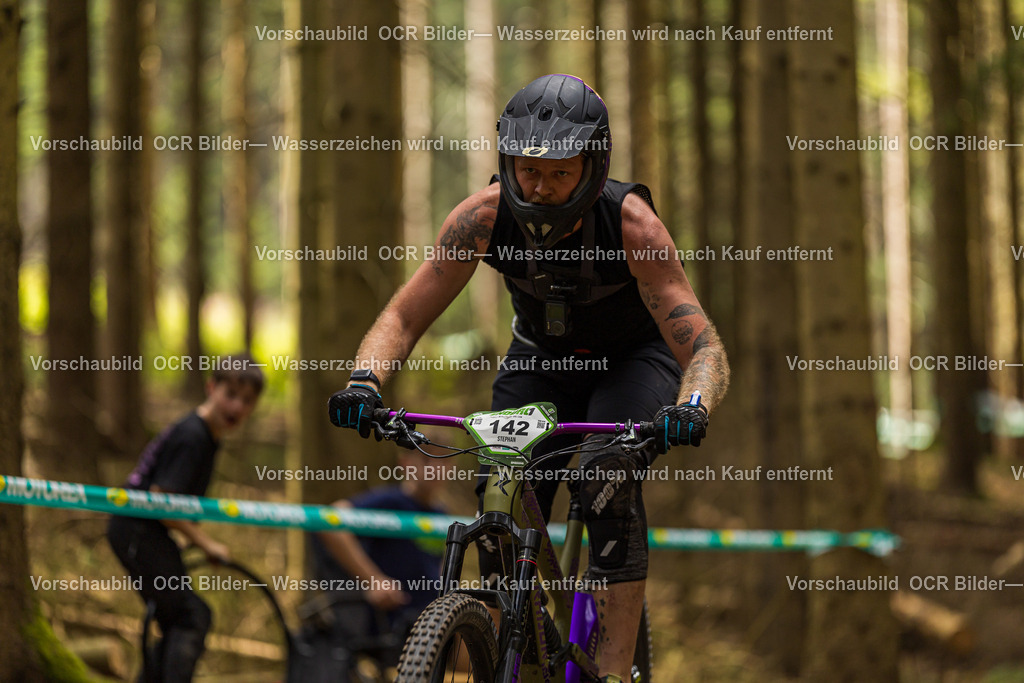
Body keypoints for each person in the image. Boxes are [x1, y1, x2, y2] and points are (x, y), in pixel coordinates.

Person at [328, 74, 730, 683]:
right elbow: (403, 316)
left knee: (606, 476)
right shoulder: (482, 219)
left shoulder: (633, 227)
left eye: (559, 173)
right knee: (500, 486)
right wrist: (365, 381)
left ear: (592, 167)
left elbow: (703, 345)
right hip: (539, 359)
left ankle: (613, 671)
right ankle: (515, 650)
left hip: (632, 362)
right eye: (528, 170)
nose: (540, 187)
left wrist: (693, 404)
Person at [107, 355, 263, 683]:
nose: (237, 406)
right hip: (136, 531)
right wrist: (206, 544)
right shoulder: (194, 436)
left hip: (142, 532)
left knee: (177, 619)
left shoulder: (206, 437)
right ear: (211, 387)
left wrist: (185, 540)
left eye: (247, 400)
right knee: (191, 617)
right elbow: (163, 501)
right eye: (230, 394)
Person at [307, 449, 449, 667]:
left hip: (433, 622)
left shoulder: (442, 516)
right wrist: (374, 580)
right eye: (426, 460)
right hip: (392, 625)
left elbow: (436, 567)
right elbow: (328, 522)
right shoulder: (388, 501)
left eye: (445, 462)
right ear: (405, 463)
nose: (436, 469)